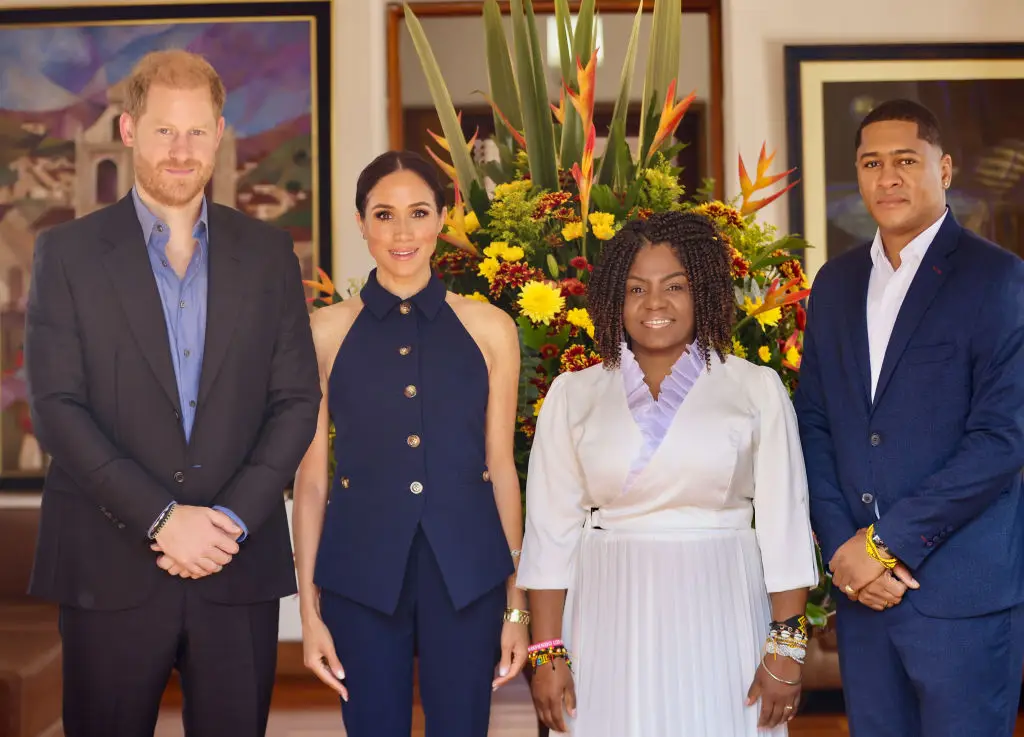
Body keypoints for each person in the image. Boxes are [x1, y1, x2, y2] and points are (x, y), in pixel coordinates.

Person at [23, 49, 320, 737]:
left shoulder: (270, 254)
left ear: (219, 133)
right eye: (163, 131)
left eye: (196, 131)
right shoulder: (65, 255)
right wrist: (164, 517)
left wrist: (228, 522)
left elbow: (296, 400)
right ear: (128, 131)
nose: (181, 151)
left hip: (234, 565)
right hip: (108, 565)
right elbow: (58, 409)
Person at [517, 211, 820, 736]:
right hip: (607, 612)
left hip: (723, 606)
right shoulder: (574, 393)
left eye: (674, 286)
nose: (655, 303)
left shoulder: (755, 388)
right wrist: (546, 652)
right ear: (615, 297)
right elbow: (549, 533)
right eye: (636, 288)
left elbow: (785, 528)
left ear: (703, 291)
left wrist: (786, 649)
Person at [794, 98, 1024, 737]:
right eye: (871, 162)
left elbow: (1001, 440)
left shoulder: (999, 279)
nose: (887, 177)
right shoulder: (834, 284)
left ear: (944, 168)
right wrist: (846, 549)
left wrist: (881, 545)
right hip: (863, 596)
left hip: (960, 597)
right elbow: (813, 421)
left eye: (905, 160)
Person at [291, 150, 530, 736]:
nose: (403, 233)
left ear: (443, 219)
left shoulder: (490, 327)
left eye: (419, 212)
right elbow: (312, 478)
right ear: (361, 222)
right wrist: (307, 608)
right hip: (358, 574)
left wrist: (516, 605)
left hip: (469, 574)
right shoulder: (323, 332)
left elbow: (501, 465)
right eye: (384, 214)